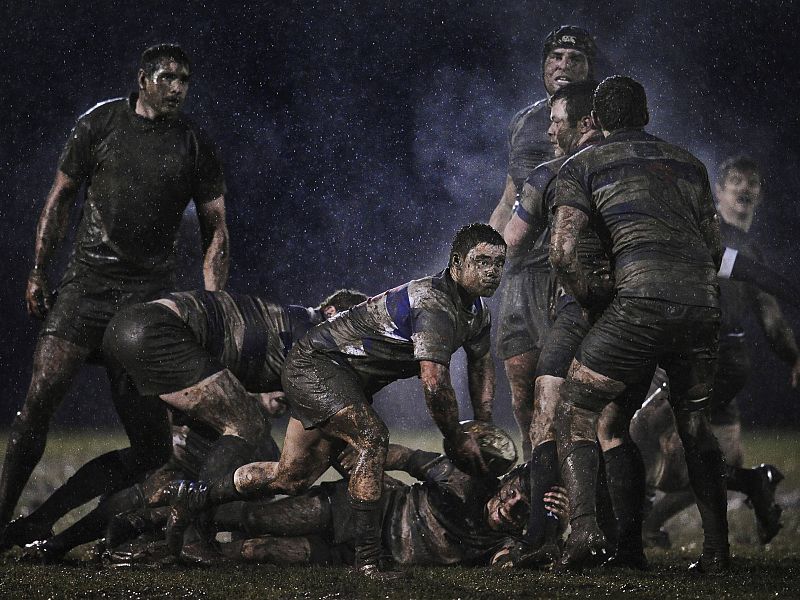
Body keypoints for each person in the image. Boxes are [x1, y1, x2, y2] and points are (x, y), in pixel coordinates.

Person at [161, 223, 507, 579]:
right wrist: (455, 435)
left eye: (499, 263)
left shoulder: (477, 312)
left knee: (290, 477)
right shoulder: (435, 303)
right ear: (455, 263)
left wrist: (482, 423)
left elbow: (481, 362)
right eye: (481, 261)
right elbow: (434, 384)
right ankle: (368, 562)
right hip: (318, 366)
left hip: (337, 375)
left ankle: (193, 499)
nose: (492, 271)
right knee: (372, 438)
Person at [0, 44, 229, 535]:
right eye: (168, 77)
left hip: (145, 303)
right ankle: (1, 519)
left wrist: (213, 304)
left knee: (151, 447)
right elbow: (60, 199)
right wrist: (39, 269)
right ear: (143, 78)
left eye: (185, 80)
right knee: (38, 402)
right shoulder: (99, 125)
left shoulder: (194, 143)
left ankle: (49, 525)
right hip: (87, 286)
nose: (177, 88)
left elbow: (217, 230)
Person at [0, 289, 367, 558]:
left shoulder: (283, 323)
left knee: (152, 458)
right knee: (245, 425)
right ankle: (188, 532)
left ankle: (47, 530)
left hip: (130, 329)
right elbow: (317, 422)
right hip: (158, 332)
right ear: (332, 311)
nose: (351, 346)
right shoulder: (313, 336)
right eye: (352, 332)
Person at [549, 76, 727, 572]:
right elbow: (714, 246)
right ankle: (715, 552)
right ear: (646, 114)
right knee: (692, 422)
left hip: (637, 305)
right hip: (701, 305)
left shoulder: (581, 165)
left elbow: (562, 254)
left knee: (574, 409)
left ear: (596, 120)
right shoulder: (689, 164)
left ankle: (585, 534)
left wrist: (595, 299)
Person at [639, 156, 799, 547]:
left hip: (706, 358)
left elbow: (772, 315)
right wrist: (793, 357)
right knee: (723, 458)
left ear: (760, 193)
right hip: (728, 360)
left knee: (641, 432)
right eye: (735, 181)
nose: (744, 188)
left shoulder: (726, 243)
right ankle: (750, 485)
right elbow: (771, 318)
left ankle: (638, 515)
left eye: (752, 181)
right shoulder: (737, 243)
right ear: (720, 191)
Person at [503, 79, 614, 564]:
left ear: (585, 122)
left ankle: (543, 535)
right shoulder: (644, 166)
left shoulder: (553, 174)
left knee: (547, 405)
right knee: (610, 423)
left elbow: (513, 244)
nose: (549, 130)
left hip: (585, 305)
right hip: (644, 308)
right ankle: (620, 541)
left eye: (556, 120)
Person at [489, 26, 598, 460]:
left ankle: (580, 481)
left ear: (590, 69)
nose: (564, 66)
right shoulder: (524, 121)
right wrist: (484, 252)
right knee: (520, 379)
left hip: (572, 269)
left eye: (575, 58)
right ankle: (540, 467)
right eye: (556, 57)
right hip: (523, 271)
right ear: (543, 66)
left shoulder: (599, 119)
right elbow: (508, 195)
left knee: (571, 385)